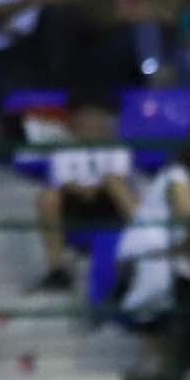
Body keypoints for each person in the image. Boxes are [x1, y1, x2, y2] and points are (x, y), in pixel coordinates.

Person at [33, 95, 137, 293]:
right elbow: (62, 180)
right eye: (86, 116)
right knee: (47, 197)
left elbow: (117, 176)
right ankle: (57, 271)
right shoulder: (64, 147)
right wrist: (83, 189)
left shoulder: (118, 146)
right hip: (75, 204)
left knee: (117, 186)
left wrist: (96, 187)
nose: (91, 121)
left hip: (108, 201)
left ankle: (144, 249)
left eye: (96, 116)